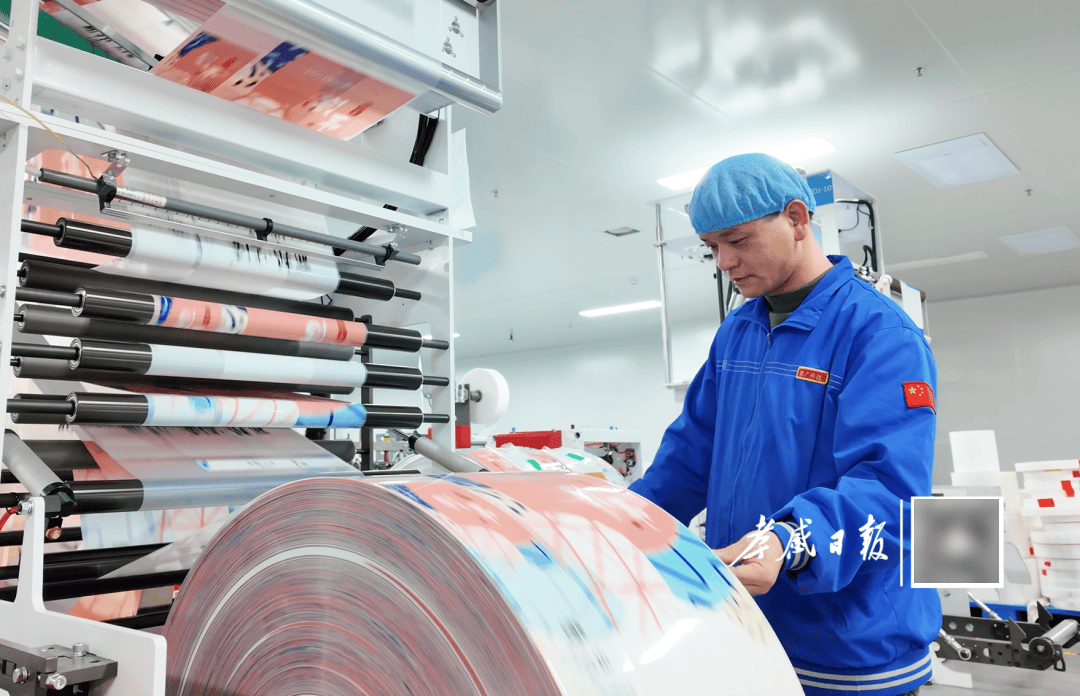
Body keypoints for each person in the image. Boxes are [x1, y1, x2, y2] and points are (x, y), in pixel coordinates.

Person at [628, 153, 940, 696]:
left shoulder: (878, 333)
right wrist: (620, 524)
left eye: (737, 240)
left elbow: (891, 490)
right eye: (710, 247)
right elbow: (690, 457)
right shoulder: (738, 332)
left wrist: (788, 540)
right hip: (751, 632)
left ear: (797, 218)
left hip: (849, 649)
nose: (724, 261)